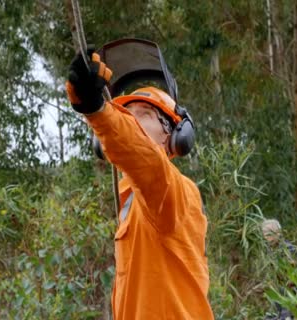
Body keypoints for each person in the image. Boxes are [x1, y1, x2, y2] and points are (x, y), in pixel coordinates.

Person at [65, 50, 214, 320]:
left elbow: (146, 159)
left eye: (144, 115)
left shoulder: (177, 190)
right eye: (126, 114)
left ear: (176, 136)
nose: (131, 121)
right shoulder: (131, 201)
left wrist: (98, 110)